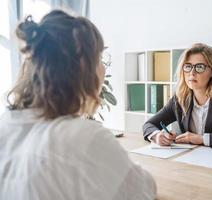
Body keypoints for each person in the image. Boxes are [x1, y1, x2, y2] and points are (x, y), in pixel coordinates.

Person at [0, 10, 156, 200]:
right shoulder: (84, 137)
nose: (103, 68)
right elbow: (143, 191)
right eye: (98, 58)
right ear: (83, 66)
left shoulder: (5, 124)